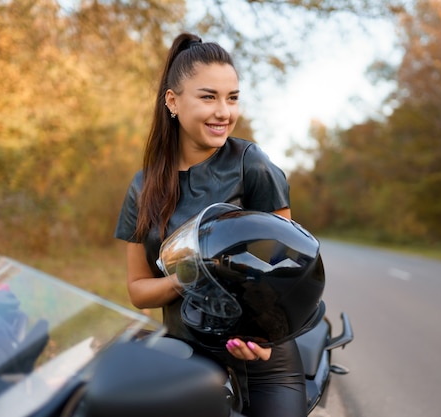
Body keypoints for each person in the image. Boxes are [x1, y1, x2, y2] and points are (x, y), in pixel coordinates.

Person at [114, 32, 308, 417]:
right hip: (184, 355)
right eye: (209, 97)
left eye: (232, 97)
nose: (224, 112)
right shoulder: (142, 187)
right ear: (173, 101)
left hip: (260, 355)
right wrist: (189, 276)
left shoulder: (251, 165)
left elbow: (288, 271)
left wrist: (264, 337)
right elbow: (138, 290)